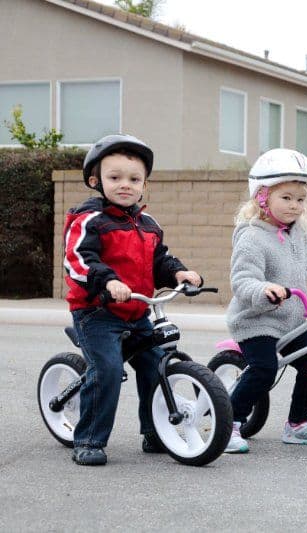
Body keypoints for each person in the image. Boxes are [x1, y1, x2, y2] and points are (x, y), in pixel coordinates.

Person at [63, 134, 202, 466]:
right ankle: (89, 439)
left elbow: (159, 261)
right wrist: (108, 280)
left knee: (156, 365)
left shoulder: (148, 223)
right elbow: (78, 260)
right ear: (95, 181)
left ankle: (155, 430)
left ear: (144, 184)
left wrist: (179, 274)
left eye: (134, 179)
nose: (125, 185)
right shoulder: (90, 219)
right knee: (108, 369)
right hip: (97, 311)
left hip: (138, 310)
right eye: (115, 178)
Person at [224, 148, 307, 453]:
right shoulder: (252, 237)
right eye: (287, 198)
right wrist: (265, 290)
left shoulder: (301, 233)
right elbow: (242, 280)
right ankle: (228, 421)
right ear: (263, 198)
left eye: (300, 199)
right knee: (265, 369)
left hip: (293, 320)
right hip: (257, 320)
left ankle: (297, 424)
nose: (295, 206)